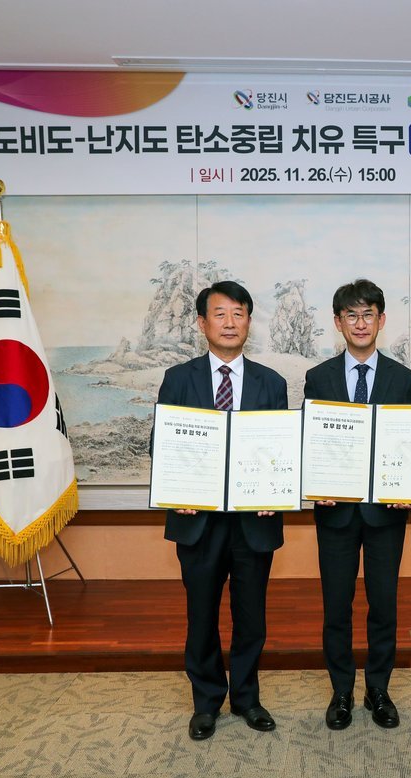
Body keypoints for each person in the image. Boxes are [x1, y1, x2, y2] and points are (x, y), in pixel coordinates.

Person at [156, 280, 289, 741]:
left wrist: (277, 491)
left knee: (251, 617)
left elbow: (281, 451)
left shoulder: (272, 382)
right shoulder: (179, 379)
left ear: (249, 321)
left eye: (239, 313)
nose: (230, 323)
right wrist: (177, 488)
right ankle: (206, 701)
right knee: (202, 615)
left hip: (254, 521)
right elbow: (162, 445)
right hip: (198, 520)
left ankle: (247, 698)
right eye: (220, 314)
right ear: (202, 323)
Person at [303, 279, 411, 730]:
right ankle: (341, 691)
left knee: (384, 604)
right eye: (351, 315)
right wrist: (316, 482)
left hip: (386, 512)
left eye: (368, 314)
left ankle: (379, 689)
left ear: (381, 320)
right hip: (336, 511)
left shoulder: (402, 378)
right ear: (338, 323)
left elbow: (409, 443)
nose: (360, 323)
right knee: (337, 605)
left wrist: (410, 483)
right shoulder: (319, 377)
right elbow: (312, 443)